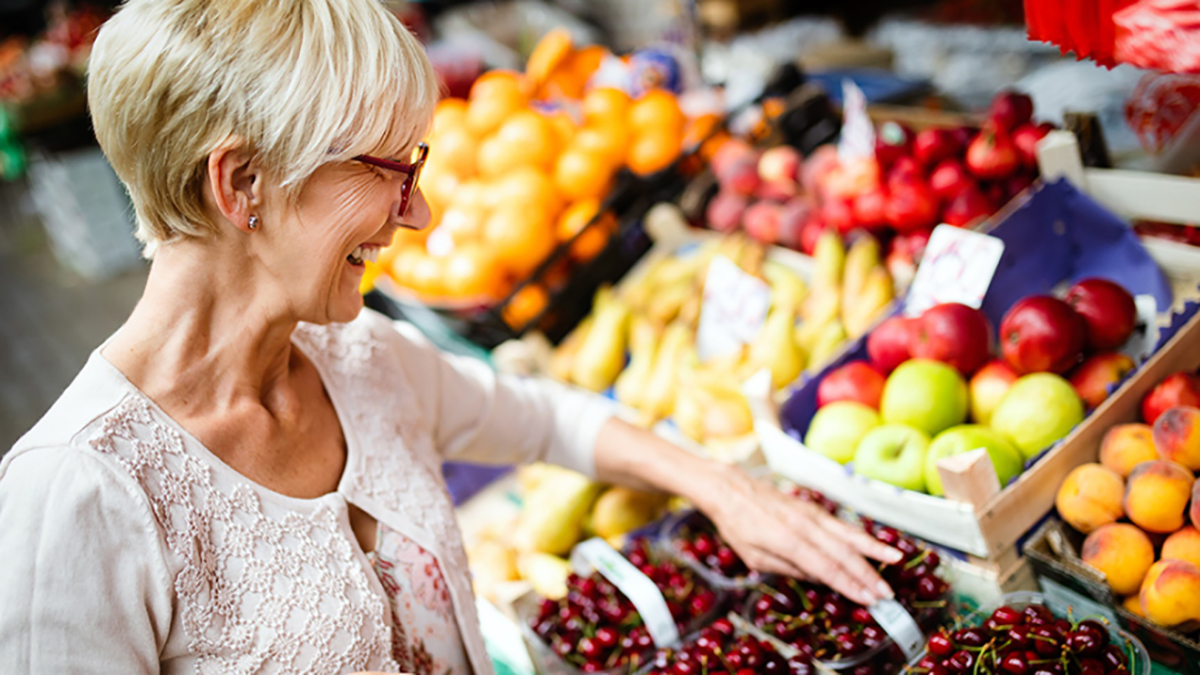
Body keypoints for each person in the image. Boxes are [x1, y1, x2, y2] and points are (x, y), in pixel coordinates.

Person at [0, 0, 898, 672]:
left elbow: (548, 420)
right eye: (389, 170)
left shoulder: (364, 362)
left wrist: (726, 490)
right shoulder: (77, 502)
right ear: (241, 183)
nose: (420, 211)